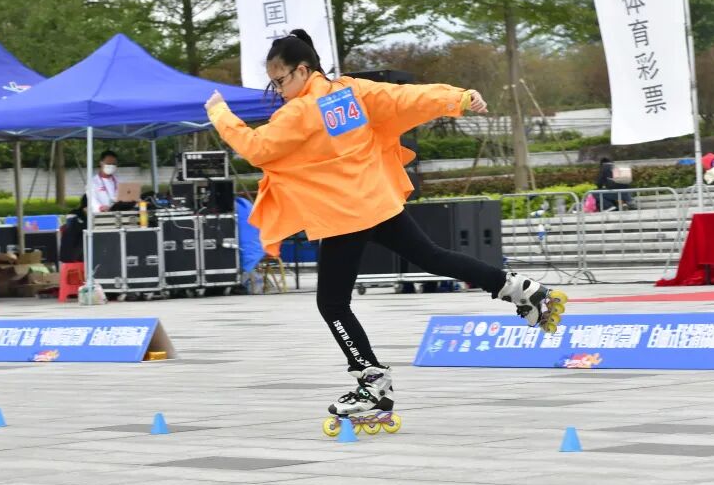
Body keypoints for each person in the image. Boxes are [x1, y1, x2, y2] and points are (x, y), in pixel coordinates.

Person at [204, 29, 567, 419]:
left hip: (345, 214)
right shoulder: (351, 91)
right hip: (375, 200)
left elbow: (257, 148)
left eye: (280, 81)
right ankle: (521, 290)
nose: (278, 90)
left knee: (332, 303)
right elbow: (404, 97)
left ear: (303, 70)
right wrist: (455, 98)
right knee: (432, 256)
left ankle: (371, 381)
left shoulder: (301, 110)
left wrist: (220, 114)